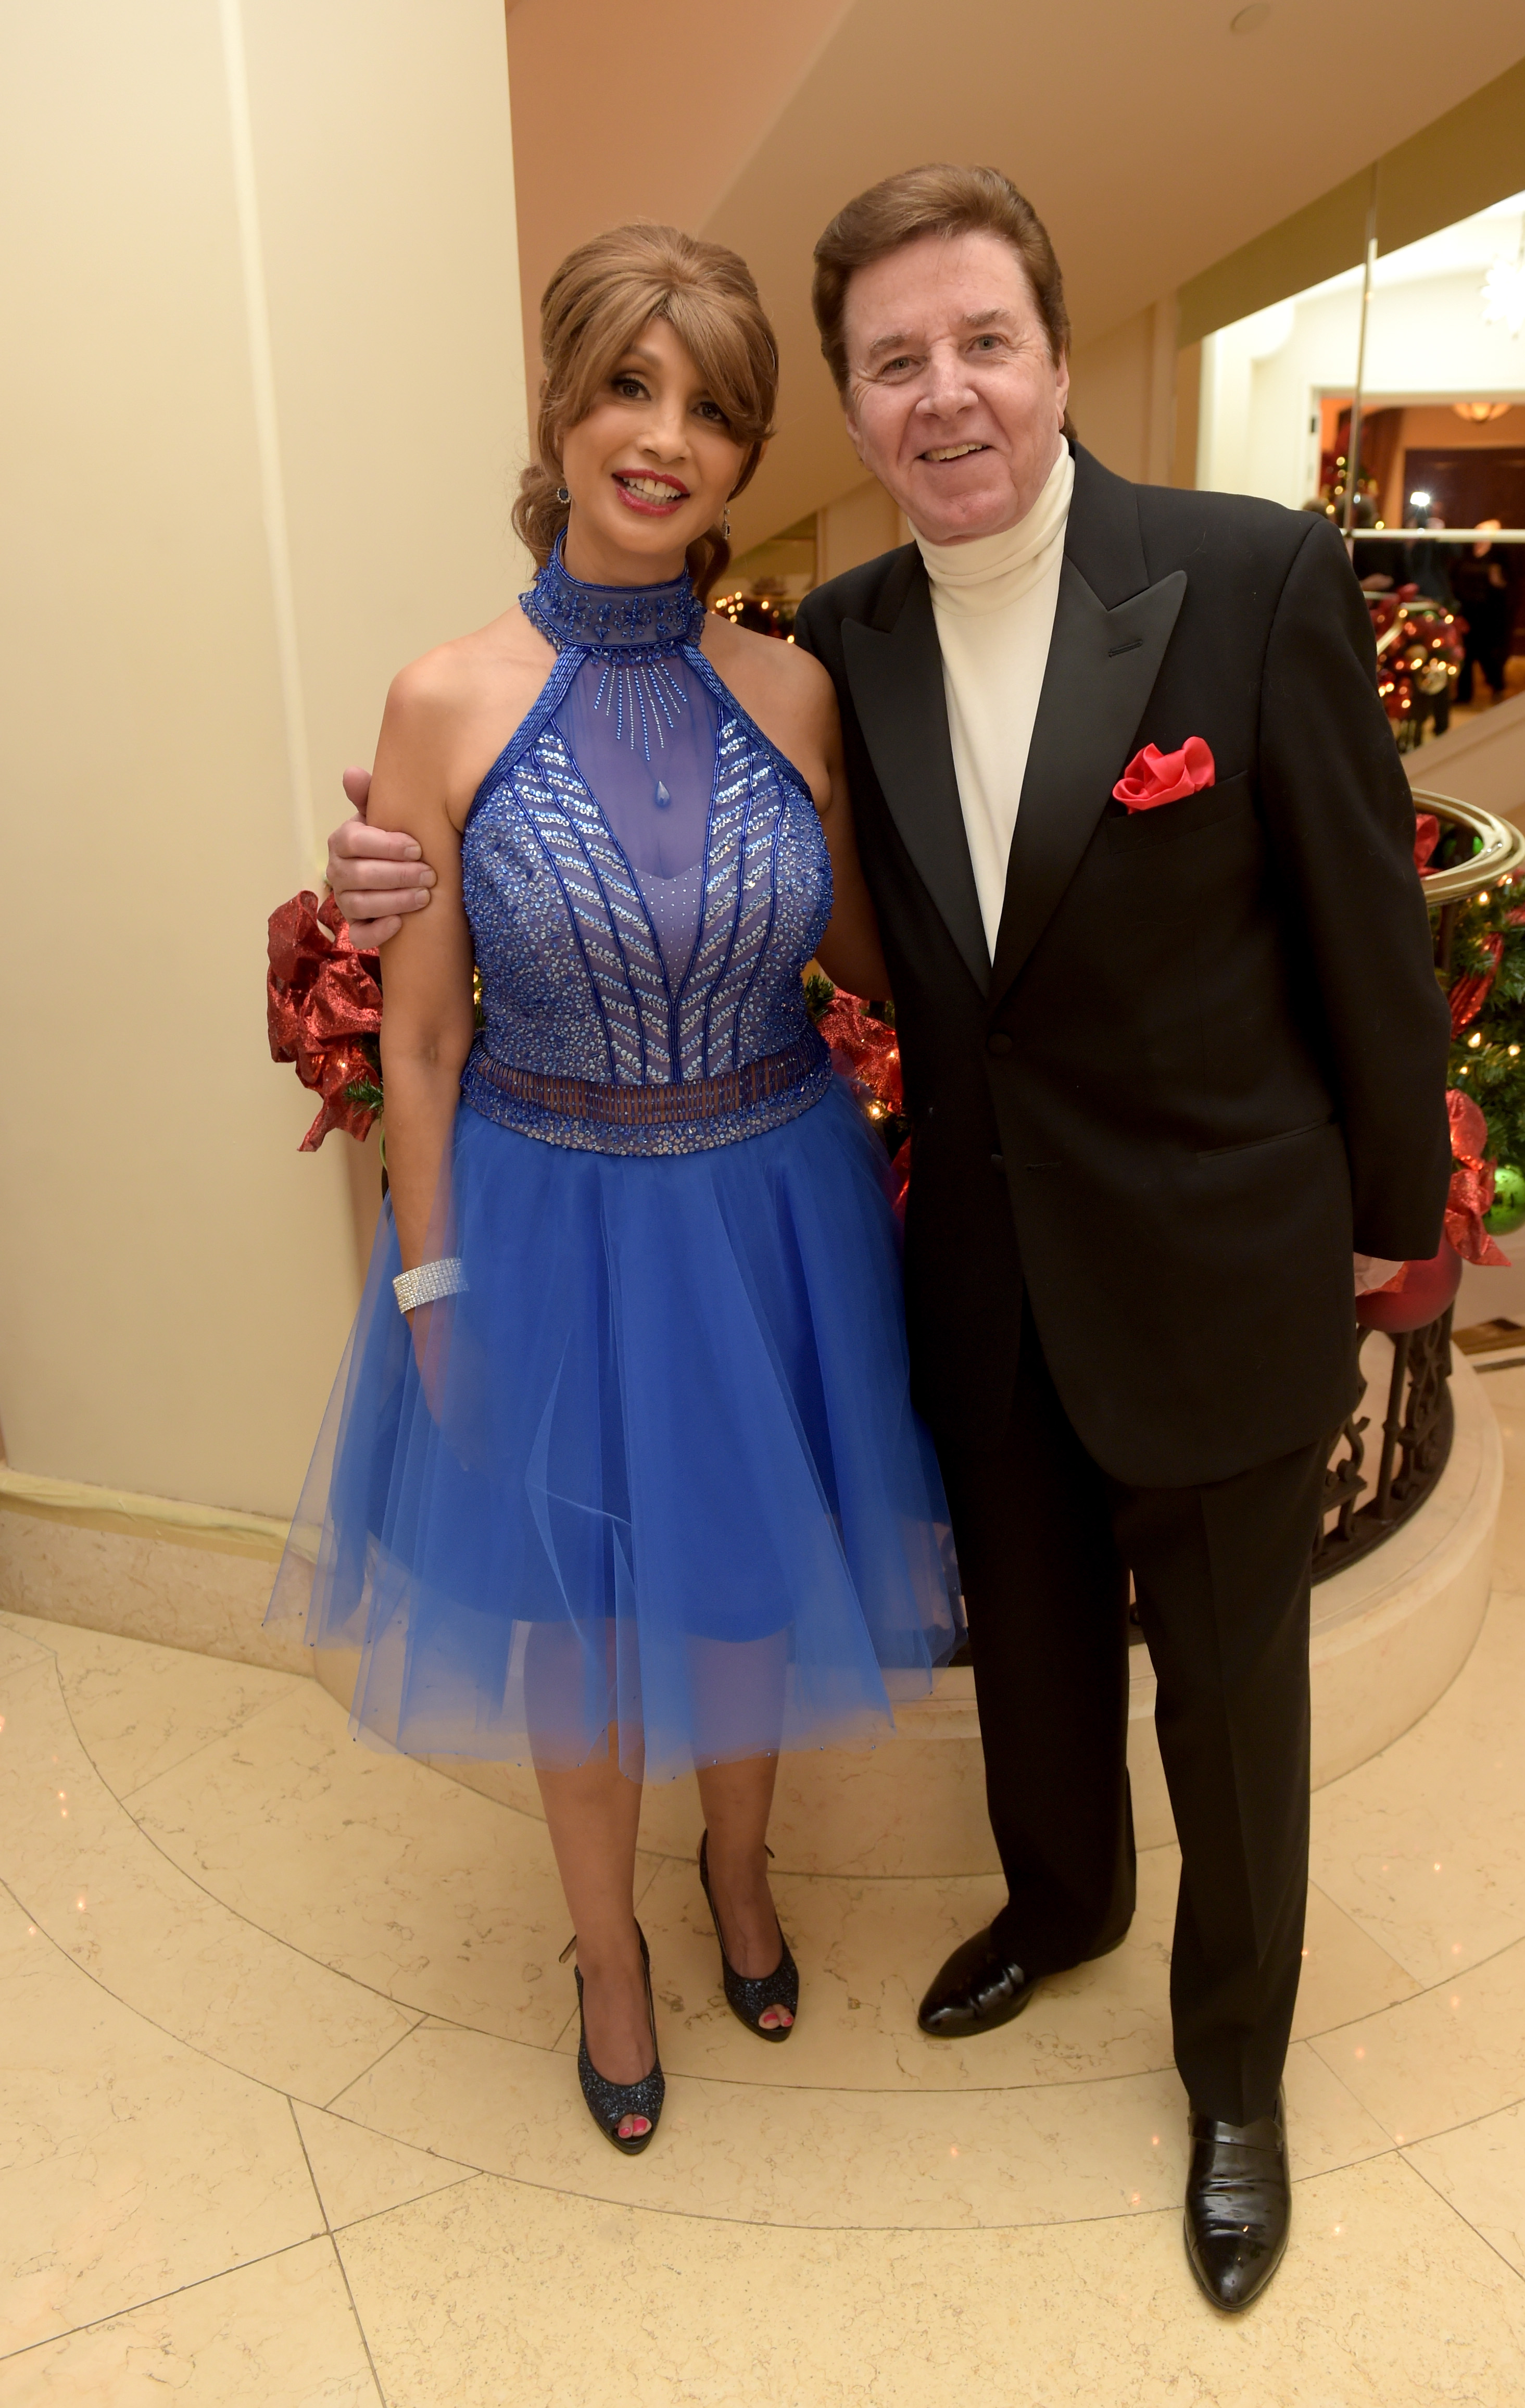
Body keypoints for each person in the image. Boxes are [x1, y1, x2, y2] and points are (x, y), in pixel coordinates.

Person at [327, 166, 1450, 2310]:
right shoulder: (842, 641)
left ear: (1054, 353)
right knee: (1023, 1644)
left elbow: (1358, 940)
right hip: (945, 1261)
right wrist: (386, 873)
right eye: (894, 362)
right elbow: (591, 920)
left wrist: (1387, 1229)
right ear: (847, 410)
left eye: (982, 343)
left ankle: (1233, 2077)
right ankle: (1050, 1905)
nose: (944, 393)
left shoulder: (1238, 579)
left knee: (1228, 1698)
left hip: (1185, 1251)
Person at [270, 223, 960, 2158]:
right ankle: (604, 1953)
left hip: (772, 1208)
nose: (665, 439)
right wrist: (429, 1286)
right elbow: (419, 1042)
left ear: (744, 458)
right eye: (630, 389)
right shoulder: (442, 698)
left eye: (712, 411)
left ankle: (737, 1870)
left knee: (737, 1591)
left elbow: (869, 957)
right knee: (574, 1623)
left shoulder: (793, 689)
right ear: (561, 406)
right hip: (544, 1217)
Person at [1448, 519, 1514, 704]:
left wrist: (1498, 579)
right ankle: (1464, 694)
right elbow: (1455, 575)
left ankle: (1497, 686)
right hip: (1467, 609)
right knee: (1466, 653)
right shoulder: (1466, 552)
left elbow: (1506, 582)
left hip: (1488, 612)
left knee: (1487, 652)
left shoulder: (1498, 555)